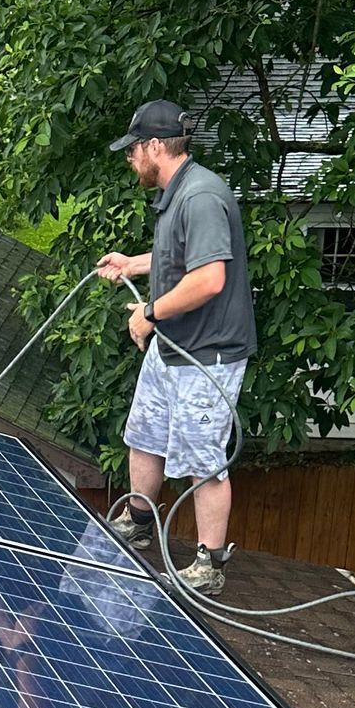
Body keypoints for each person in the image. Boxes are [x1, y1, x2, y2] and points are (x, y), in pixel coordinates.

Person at [96, 99, 255, 597]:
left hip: (206, 355)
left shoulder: (201, 197)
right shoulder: (178, 193)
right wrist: (133, 264)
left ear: (155, 146)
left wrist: (148, 313)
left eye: (133, 149)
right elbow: (178, 257)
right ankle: (140, 520)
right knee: (144, 433)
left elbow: (209, 279)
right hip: (175, 348)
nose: (129, 159)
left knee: (203, 458)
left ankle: (209, 564)